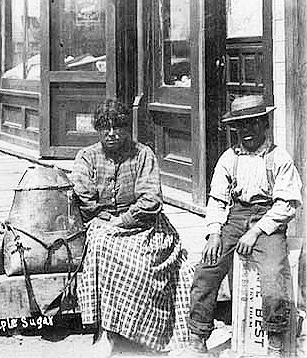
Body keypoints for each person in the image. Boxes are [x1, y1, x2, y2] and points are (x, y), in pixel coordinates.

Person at [71, 99, 191, 354]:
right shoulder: (87, 157)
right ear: (98, 130)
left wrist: (124, 220)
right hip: (103, 223)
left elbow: (150, 200)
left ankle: (144, 331)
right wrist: (106, 218)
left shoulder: (142, 154)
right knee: (102, 248)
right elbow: (84, 196)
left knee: (148, 262)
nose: (112, 134)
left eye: (118, 127)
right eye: (106, 128)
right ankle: (109, 330)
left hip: (144, 224)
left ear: (127, 129)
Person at [186, 95, 302, 357]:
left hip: (269, 219)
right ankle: (198, 336)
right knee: (207, 267)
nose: (247, 131)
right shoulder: (229, 158)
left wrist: (257, 230)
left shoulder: (279, 158)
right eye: (241, 126)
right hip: (236, 216)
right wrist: (214, 232)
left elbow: (287, 205)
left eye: (253, 124)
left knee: (274, 272)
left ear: (264, 124)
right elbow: (217, 198)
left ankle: (275, 340)